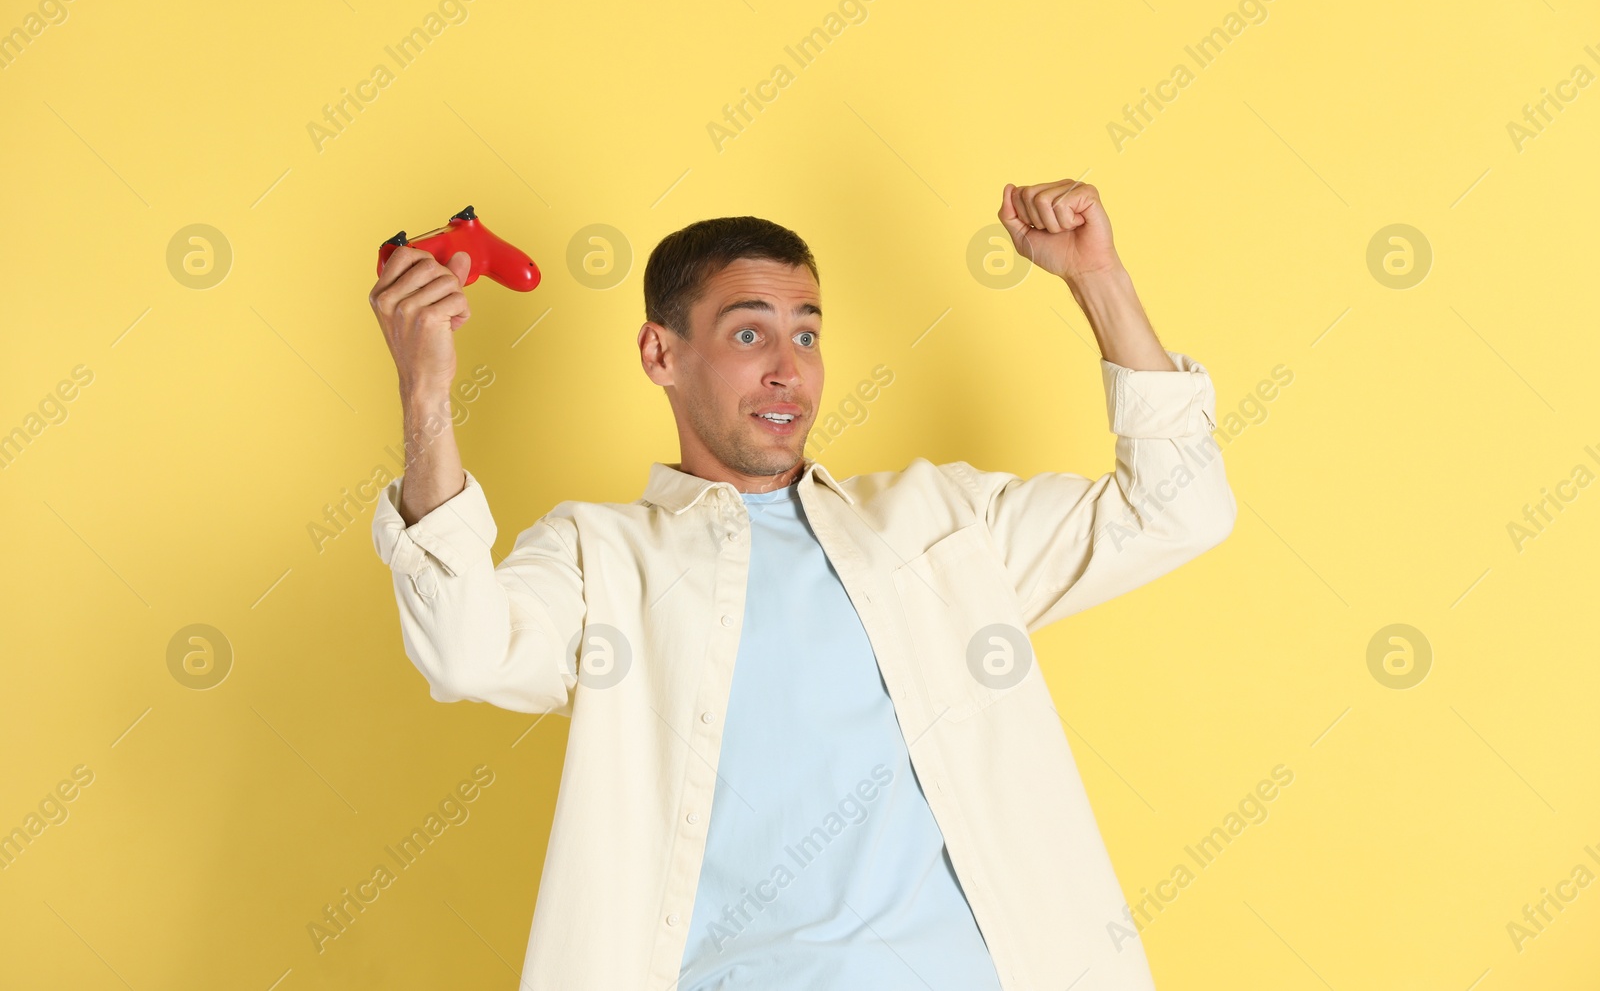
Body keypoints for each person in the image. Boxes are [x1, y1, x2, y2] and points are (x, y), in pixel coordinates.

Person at [367, 179, 1236, 990]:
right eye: (749, 333)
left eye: (808, 332)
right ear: (659, 353)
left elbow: (1179, 510)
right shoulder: (604, 556)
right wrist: (426, 395)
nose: (789, 367)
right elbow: (464, 652)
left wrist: (1099, 279)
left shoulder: (939, 520)